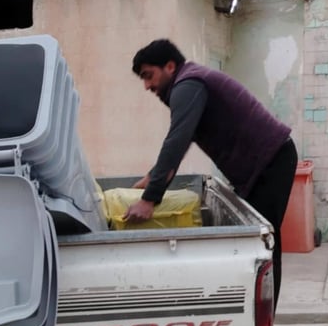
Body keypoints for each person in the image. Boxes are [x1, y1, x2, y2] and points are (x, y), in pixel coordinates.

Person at [123, 38, 298, 311]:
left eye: (149, 76)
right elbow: (182, 138)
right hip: (261, 165)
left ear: (170, 66)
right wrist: (151, 177)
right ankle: (254, 321)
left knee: (264, 246)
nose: (147, 86)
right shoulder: (189, 82)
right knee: (256, 246)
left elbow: (177, 140)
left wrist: (150, 198)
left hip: (271, 160)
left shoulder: (188, 84)